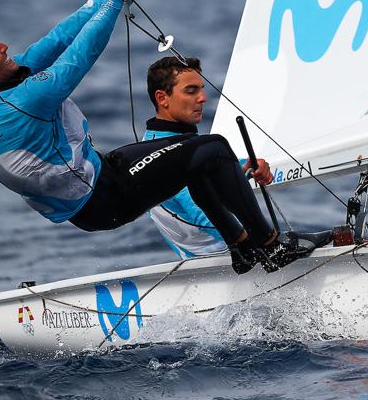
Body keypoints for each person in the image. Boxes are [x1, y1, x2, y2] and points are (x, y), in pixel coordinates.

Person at [0, 0, 307, 274]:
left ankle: (240, 246)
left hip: (98, 176)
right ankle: (269, 245)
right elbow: (80, 54)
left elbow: (59, 39)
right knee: (215, 148)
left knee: (189, 152)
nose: (5, 46)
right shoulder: (23, 102)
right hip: (102, 199)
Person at [141, 56, 330, 259]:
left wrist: (244, 169)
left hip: (230, 257)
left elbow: (205, 179)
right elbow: (202, 215)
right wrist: (263, 244)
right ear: (162, 98)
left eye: (202, 88)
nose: (203, 97)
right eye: (191, 91)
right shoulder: (166, 154)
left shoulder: (168, 141)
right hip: (221, 262)